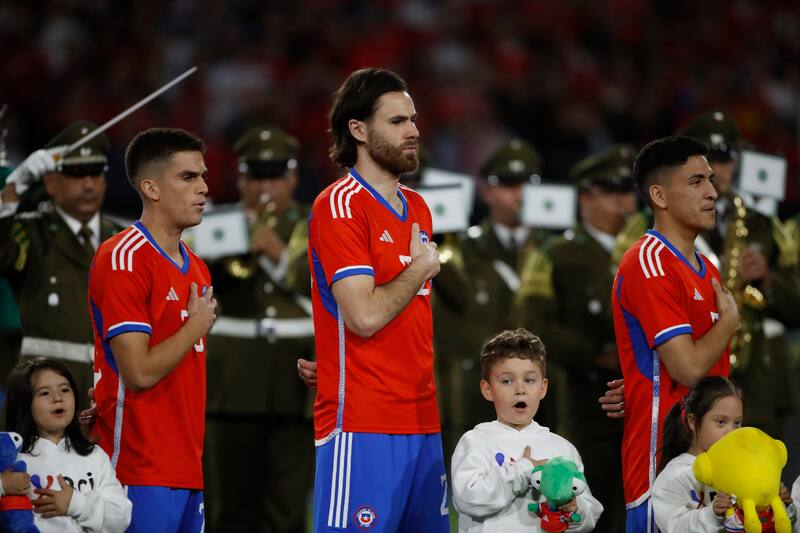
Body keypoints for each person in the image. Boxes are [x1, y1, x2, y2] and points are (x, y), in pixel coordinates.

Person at [308, 67, 447, 532]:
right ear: (358, 130)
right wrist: (419, 268)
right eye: (397, 122)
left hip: (423, 419)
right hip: (363, 423)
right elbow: (364, 316)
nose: (413, 131)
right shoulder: (339, 205)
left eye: (413, 120)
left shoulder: (419, 207)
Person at [88, 128, 216, 532]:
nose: (204, 187)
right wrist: (194, 326)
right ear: (151, 188)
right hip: (136, 468)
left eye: (203, 176)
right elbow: (138, 372)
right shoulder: (123, 257)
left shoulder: (197, 267)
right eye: (188, 177)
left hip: (187, 468)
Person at [612, 135, 740, 532]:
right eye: (696, 181)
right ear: (659, 196)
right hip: (660, 466)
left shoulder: (708, 268)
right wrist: (729, 324)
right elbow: (687, 368)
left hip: (712, 463)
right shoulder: (648, 262)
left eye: (712, 181)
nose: (712, 192)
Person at [514, 143, 638, 533]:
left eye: (626, 192)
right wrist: (592, 355)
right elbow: (532, 323)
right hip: (584, 402)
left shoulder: (644, 249)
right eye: (611, 192)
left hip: (639, 402)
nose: (623, 203)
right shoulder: (557, 252)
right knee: (583, 506)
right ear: (586, 196)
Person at [204, 126, 314, 533]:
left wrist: (275, 251)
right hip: (230, 380)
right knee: (229, 506)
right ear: (241, 179)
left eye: (274, 176)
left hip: (295, 375)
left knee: (287, 508)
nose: (265, 187)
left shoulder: (314, 221)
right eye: (256, 176)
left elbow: (324, 287)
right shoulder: (214, 220)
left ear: (292, 178)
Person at [681, 110, 800, 437]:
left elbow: (796, 305)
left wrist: (766, 279)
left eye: (725, 159)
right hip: (691, 377)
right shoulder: (668, 222)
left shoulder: (763, 224)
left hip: (754, 384)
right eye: (707, 160)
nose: (717, 171)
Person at [438, 139, 547, 464]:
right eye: (509, 184)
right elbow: (453, 317)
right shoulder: (462, 248)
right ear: (486, 191)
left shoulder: (555, 250)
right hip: (477, 385)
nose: (520, 194)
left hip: (540, 388)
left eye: (529, 183)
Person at [0, 121, 123, 398]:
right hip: (42, 392)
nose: (89, 184)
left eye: (95, 172)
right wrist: (12, 190)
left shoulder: (122, 240)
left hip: (107, 391)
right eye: (77, 173)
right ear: (51, 182)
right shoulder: (29, 232)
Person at [451, 328, 603, 532]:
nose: (520, 389)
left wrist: (575, 509)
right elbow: (468, 499)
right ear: (487, 389)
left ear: (543, 387)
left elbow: (590, 512)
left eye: (529, 380)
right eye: (507, 381)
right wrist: (522, 470)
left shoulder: (562, 448)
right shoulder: (476, 442)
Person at [1, 357, 131, 532]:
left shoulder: (94, 455)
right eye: (44, 393)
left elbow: (121, 518)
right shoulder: (10, 456)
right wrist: (2, 485)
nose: (58, 398)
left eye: (64, 389)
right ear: (24, 404)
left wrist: (75, 504)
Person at [652, 375, 795, 532]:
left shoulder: (745, 468)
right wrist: (712, 514)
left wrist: (780, 505)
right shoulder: (674, 475)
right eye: (721, 422)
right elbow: (674, 526)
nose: (731, 432)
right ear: (693, 422)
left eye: (737, 423)